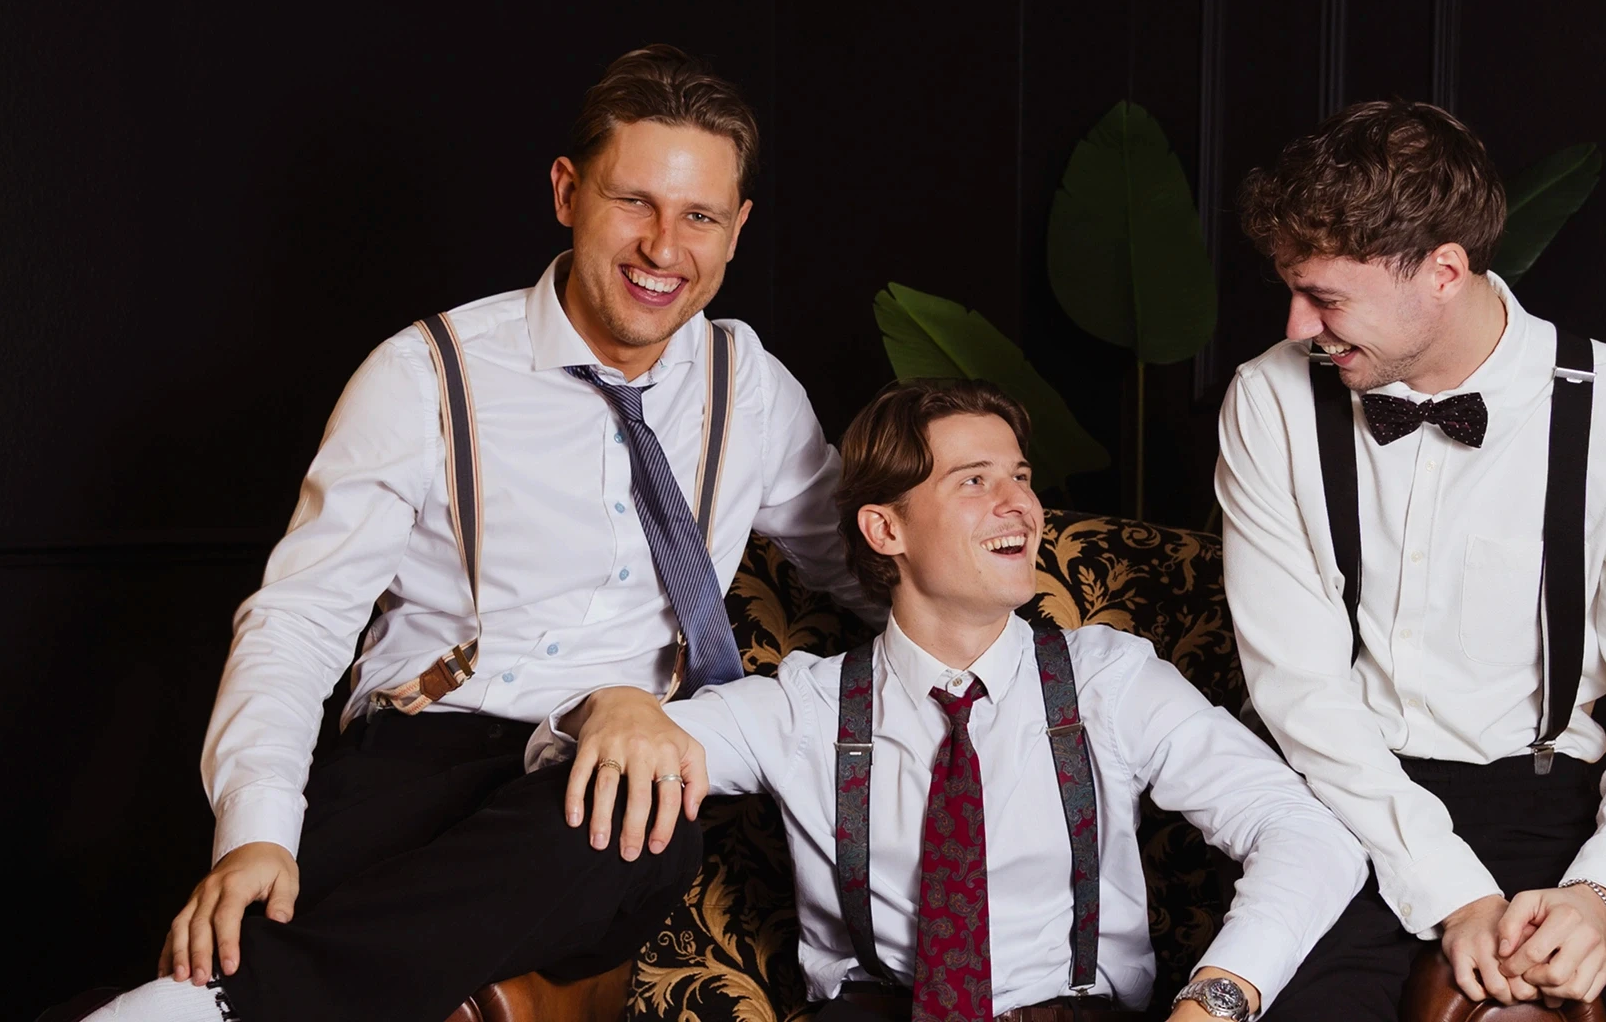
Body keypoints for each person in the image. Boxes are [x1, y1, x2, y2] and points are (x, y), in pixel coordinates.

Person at [45, 45, 868, 1022]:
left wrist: (1005, 620)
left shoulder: (753, 389)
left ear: (735, 229)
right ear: (567, 193)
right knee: (265, 903)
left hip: (603, 771)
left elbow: (857, 559)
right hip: (420, 748)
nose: (662, 247)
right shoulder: (426, 373)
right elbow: (300, 617)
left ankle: (204, 1013)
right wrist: (256, 831)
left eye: (696, 216)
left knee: (634, 821)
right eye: (631, 202)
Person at [1214, 100, 1606, 1021]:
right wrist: (1451, 892)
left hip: (1553, 812)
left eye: (1327, 297)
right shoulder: (1268, 401)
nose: (1300, 324)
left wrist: (1603, 896)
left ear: (1445, 272)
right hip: (1346, 806)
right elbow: (1299, 692)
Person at [530, 379, 1370, 1022]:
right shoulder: (803, 709)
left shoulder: (1110, 681)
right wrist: (606, 706)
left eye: (1021, 476)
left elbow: (1308, 837)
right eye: (974, 481)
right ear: (884, 531)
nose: (1022, 506)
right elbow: (561, 758)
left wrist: (1214, 1003)